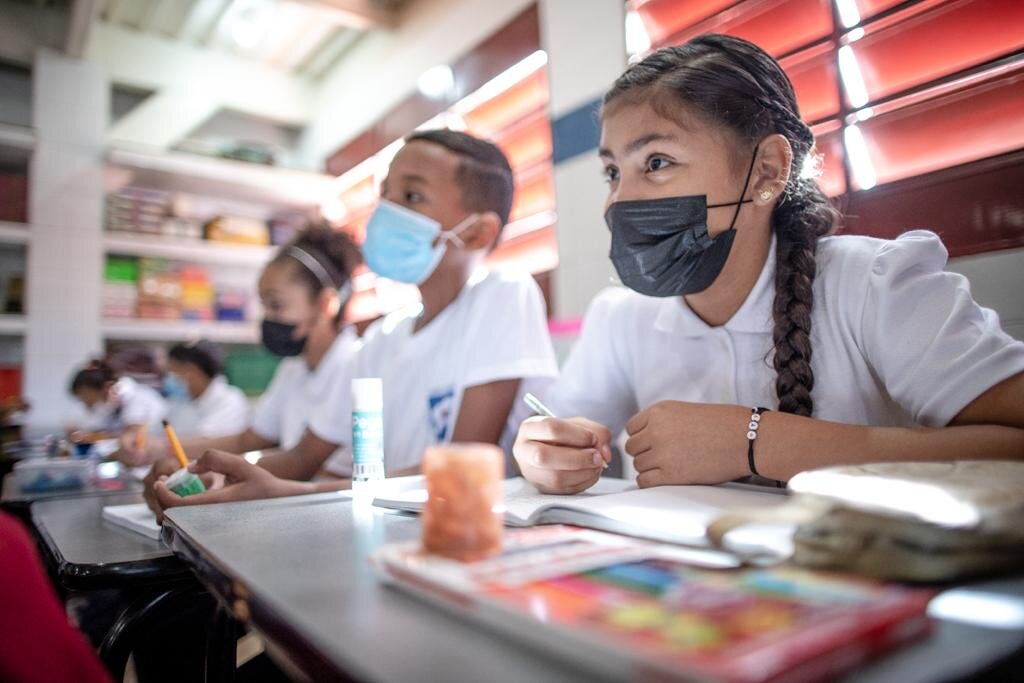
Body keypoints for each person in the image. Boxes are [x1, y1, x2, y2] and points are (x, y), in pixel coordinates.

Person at [512, 33, 1024, 495]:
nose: (618, 203)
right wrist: (544, 452)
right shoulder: (620, 319)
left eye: (657, 163)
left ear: (767, 171)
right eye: (611, 172)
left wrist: (758, 442)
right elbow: (560, 430)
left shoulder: (876, 284)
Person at [151, 129, 557, 512]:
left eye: (412, 195)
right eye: (386, 194)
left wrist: (293, 494)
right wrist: (201, 476)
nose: (388, 210)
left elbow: (463, 471)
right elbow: (304, 456)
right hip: (399, 531)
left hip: (473, 535)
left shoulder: (503, 293)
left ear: (477, 233)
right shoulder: (383, 337)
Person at [143, 223, 362, 513]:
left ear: (325, 304)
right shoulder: (292, 368)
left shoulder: (355, 363)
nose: (267, 318)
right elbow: (251, 439)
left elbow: (300, 461)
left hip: (334, 505)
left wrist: (212, 473)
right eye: (264, 306)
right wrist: (164, 450)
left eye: (277, 306)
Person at [67, 359, 167, 463]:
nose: (86, 403)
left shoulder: (138, 398)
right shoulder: (110, 402)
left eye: (86, 397)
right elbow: (102, 429)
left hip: (151, 458)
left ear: (107, 387)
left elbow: (131, 436)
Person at [163, 340, 250, 439]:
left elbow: (206, 442)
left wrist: (164, 447)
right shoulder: (178, 402)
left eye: (174, 372)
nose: (169, 379)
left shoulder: (230, 400)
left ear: (193, 371)